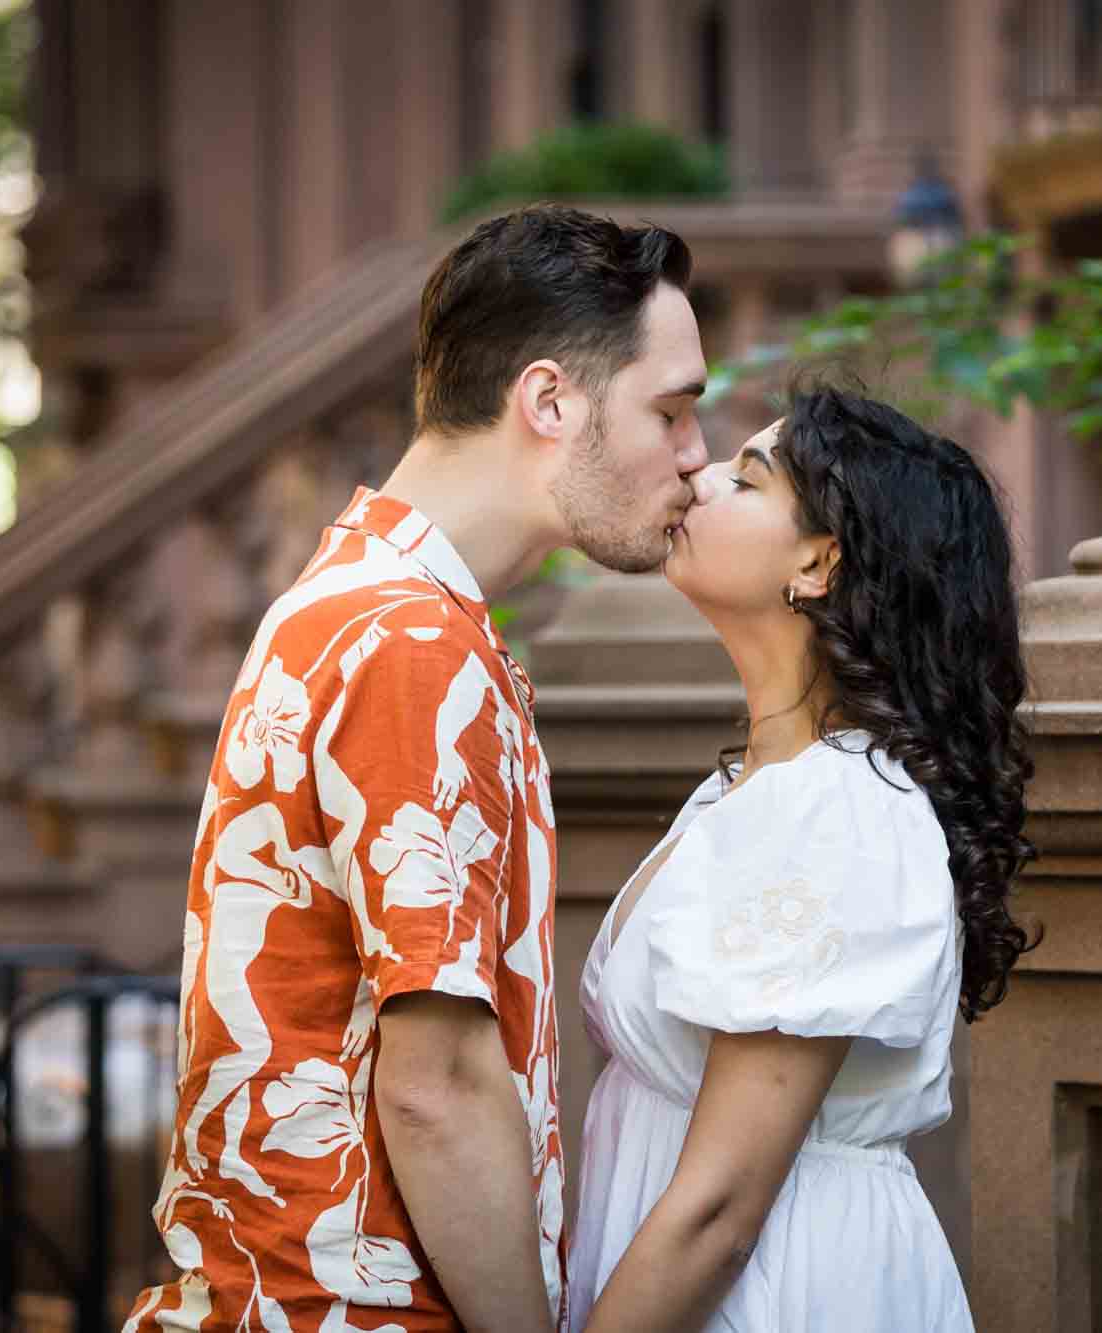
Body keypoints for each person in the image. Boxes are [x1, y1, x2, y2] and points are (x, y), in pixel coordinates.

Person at [125, 204, 711, 1333]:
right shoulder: (411, 643)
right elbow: (436, 1085)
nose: (695, 451)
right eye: (671, 408)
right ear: (549, 401)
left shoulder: (365, 598)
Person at [565, 387, 1038, 1332]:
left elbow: (720, 1214)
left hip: (782, 1287)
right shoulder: (760, 786)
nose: (696, 477)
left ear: (820, 562)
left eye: (747, 478)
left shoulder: (841, 811)